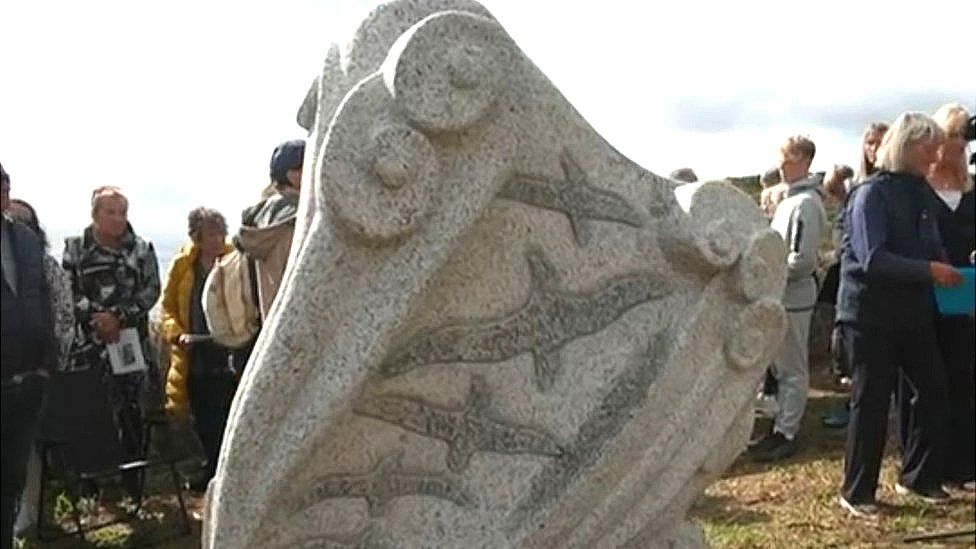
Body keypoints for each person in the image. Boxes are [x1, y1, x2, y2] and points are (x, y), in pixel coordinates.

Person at [836, 112, 961, 517]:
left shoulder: (920, 192)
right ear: (908, 146)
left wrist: (952, 264)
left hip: (912, 312)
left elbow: (931, 242)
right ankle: (857, 492)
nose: (936, 155)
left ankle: (919, 478)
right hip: (870, 315)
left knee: (933, 390)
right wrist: (930, 271)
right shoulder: (871, 194)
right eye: (929, 148)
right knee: (870, 402)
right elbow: (873, 259)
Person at [62, 186, 161, 497]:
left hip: (130, 345)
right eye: (111, 212)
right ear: (95, 215)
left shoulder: (141, 249)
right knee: (89, 411)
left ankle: (133, 483)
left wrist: (118, 316)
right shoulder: (76, 248)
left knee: (132, 413)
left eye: (123, 212)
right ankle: (91, 484)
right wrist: (98, 318)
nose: (118, 219)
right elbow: (67, 292)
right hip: (90, 346)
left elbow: (150, 291)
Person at [750, 135, 826, 462]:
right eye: (782, 158)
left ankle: (788, 431)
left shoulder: (806, 203)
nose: (781, 164)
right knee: (781, 367)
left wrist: (768, 272)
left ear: (805, 161)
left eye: (789, 158)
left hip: (793, 294)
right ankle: (780, 426)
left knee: (792, 366)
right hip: (783, 292)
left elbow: (801, 258)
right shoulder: (790, 201)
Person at [5, 199, 74, 535]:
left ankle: (24, 517)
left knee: (22, 460)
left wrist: (47, 368)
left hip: (33, 377)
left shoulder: (43, 264)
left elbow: (60, 316)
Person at [1, 163, 59, 549]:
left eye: (3, 187)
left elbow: (44, 299)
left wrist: (44, 365)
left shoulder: (24, 239)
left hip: (27, 380)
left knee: (11, 478)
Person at [163, 208, 237, 492]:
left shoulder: (236, 261)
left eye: (220, 232)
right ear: (196, 237)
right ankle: (212, 467)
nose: (217, 240)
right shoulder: (183, 266)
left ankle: (229, 469)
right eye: (210, 234)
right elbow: (168, 308)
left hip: (229, 347)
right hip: (195, 351)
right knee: (204, 413)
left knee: (229, 410)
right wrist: (177, 334)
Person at [923, 103, 974, 492]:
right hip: (928, 296)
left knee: (964, 378)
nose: (959, 144)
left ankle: (963, 465)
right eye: (952, 135)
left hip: (968, 296)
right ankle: (931, 466)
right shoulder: (920, 190)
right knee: (932, 381)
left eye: (963, 136)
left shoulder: (971, 189)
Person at [235, 139, 305, 321]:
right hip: (299, 316)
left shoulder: (263, 213)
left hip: (272, 318)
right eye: (302, 167)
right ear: (291, 175)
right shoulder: (296, 215)